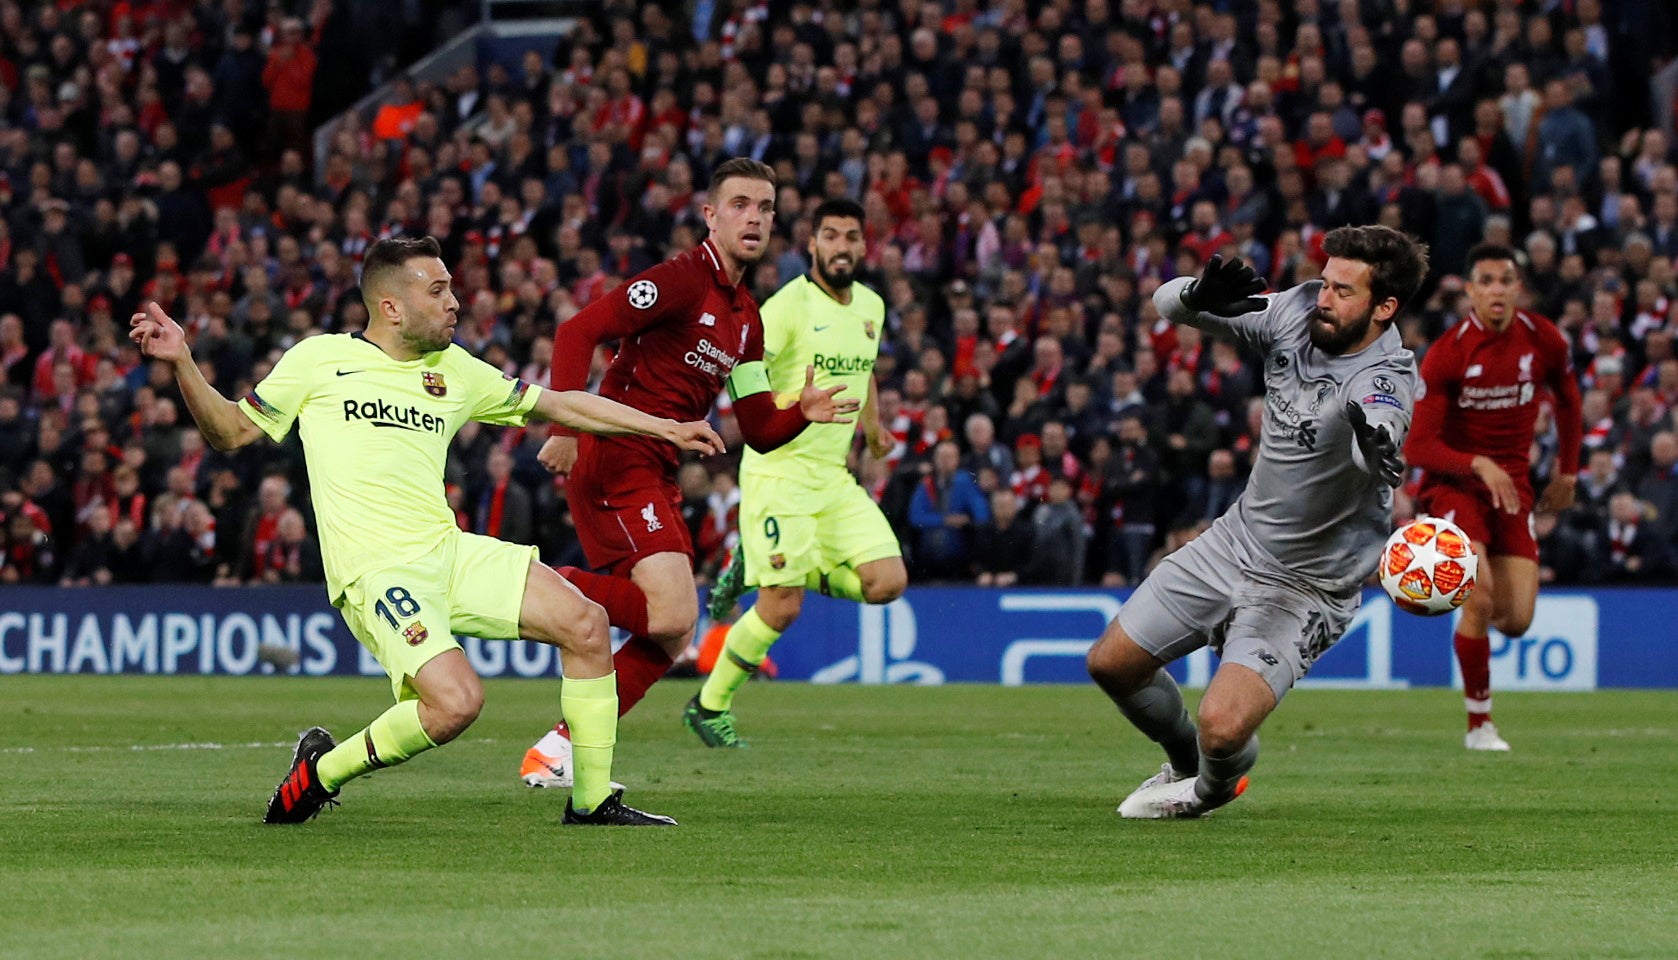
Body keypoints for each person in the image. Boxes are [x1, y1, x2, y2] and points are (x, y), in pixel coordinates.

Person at [130, 236, 725, 827]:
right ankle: (321, 773)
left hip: (448, 552)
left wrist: (666, 427)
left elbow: (565, 405)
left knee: (587, 624)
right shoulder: (318, 360)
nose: (454, 303)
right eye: (438, 290)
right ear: (391, 306)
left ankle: (592, 801)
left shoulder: (455, 369)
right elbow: (229, 432)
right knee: (457, 703)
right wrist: (184, 361)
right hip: (376, 570)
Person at [518, 159, 857, 787]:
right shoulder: (679, 280)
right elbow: (578, 330)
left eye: (765, 207)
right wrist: (564, 428)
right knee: (675, 615)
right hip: (615, 454)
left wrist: (801, 413)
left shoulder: (746, 319)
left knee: (671, 632)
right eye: (739, 205)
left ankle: (558, 751)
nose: (753, 217)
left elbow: (756, 426)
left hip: (657, 463)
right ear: (711, 214)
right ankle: (520, 582)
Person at [1085, 227, 1427, 819]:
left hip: (1305, 586)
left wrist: (1375, 443)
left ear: (1384, 307)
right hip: (1234, 543)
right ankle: (1185, 760)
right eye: (1325, 282)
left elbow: (1377, 434)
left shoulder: (1388, 377)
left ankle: (1210, 789)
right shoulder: (1295, 311)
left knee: (1225, 730)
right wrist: (1196, 293)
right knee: (1111, 664)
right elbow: (1165, 307)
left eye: (1344, 291)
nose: (1325, 298)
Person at [690, 197, 908, 747]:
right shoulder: (785, 307)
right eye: (830, 236)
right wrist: (781, 411)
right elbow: (743, 367)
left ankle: (757, 565)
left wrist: (875, 429)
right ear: (812, 244)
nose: (841, 246)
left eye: (851, 237)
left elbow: (866, 371)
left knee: (888, 582)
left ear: (864, 245)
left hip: (833, 475)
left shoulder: (872, 308)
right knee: (781, 608)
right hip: (780, 470)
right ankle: (709, 704)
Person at [1403, 243, 1582, 751]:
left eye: (1506, 279)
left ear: (1518, 287)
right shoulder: (1449, 352)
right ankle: (1479, 725)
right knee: (1478, 596)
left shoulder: (1542, 339)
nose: (1497, 289)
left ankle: (1465, 621)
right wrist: (1476, 463)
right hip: (1455, 487)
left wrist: (1568, 473)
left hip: (1515, 489)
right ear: (1471, 290)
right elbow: (1419, 445)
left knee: (1518, 620)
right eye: (1486, 280)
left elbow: (1569, 399)